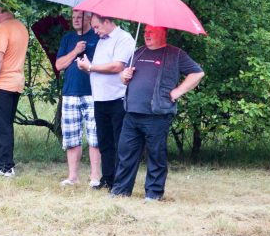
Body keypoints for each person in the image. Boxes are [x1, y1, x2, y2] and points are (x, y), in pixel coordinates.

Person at [111, 26, 204, 200]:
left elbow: (198, 73)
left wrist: (178, 91)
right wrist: (124, 76)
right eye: (146, 31)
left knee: (156, 155)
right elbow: (124, 80)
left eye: (151, 31)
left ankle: (153, 194)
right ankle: (120, 191)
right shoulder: (137, 53)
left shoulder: (175, 54)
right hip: (131, 113)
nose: (146, 34)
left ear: (163, 33)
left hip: (157, 114)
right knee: (126, 154)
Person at [77, 14, 134, 190]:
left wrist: (91, 67)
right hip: (100, 98)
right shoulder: (102, 40)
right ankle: (107, 178)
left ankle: (119, 180)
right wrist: (87, 67)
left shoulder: (124, 38)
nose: (95, 31)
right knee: (104, 142)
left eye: (97, 27)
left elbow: (117, 66)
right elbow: (99, 70)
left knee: (119, 142)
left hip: (117, 98)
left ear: (107, 22)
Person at [54, 10, 102, 187]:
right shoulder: (68, 39)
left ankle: (95, 176)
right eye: (73, 17)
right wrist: (75, 51)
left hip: (93, 92)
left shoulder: (97, 37)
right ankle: (73, 176)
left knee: (94, 136)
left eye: (79, 17)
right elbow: (59, 65)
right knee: (72, 136)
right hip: (70, 93)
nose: (75, 20)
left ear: (88, 18)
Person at [0, 5, 29, 177]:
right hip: (14, 83)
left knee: (0, 126)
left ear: (1, 11)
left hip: (0, 84)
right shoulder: (20, 27)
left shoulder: (3, 28)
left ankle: (4, 166)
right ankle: (5, 163)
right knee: (6, 125)